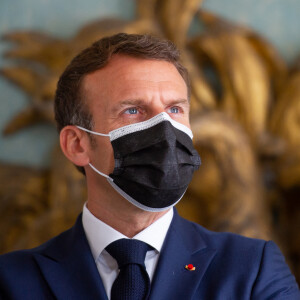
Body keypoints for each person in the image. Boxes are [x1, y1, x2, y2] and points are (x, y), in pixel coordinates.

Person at [0, 33, 299, 300]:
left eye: (175, 109)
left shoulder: (252, 270)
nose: (165, 129)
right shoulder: (13, 280)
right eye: (133, 110)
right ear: (77, 145)